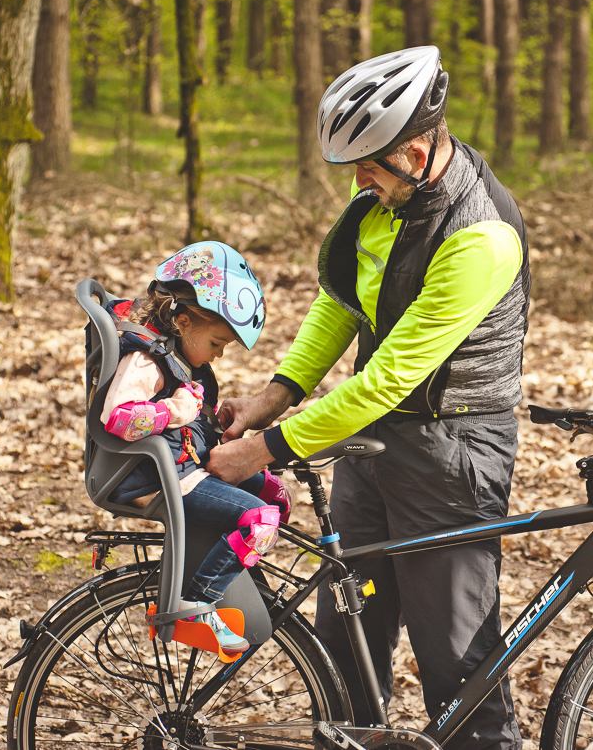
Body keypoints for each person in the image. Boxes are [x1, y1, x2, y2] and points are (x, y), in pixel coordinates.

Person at [209, 46, 530, 750]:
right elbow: (342, 303)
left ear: (415, 153)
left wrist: (262, 451)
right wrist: (272, 398)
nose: (358, 182)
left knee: (458, 665)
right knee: (347, 643)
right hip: (371, 441)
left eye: (369, 166)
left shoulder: (481, 237)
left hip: (450, 454)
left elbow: (388, 379)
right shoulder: (386, 198)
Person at [100, 240, 293, 656]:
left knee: (273, 494)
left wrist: (210, 424)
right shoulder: (146, 361)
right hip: (160, 479)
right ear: (183, 321)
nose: (219, 355)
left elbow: (186, 421)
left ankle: (232, 569)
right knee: (261, 520)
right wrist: (174, 411)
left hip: (184, 468)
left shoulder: (181, 360)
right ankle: (198, 601)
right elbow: (117, 418)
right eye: (217, 343)